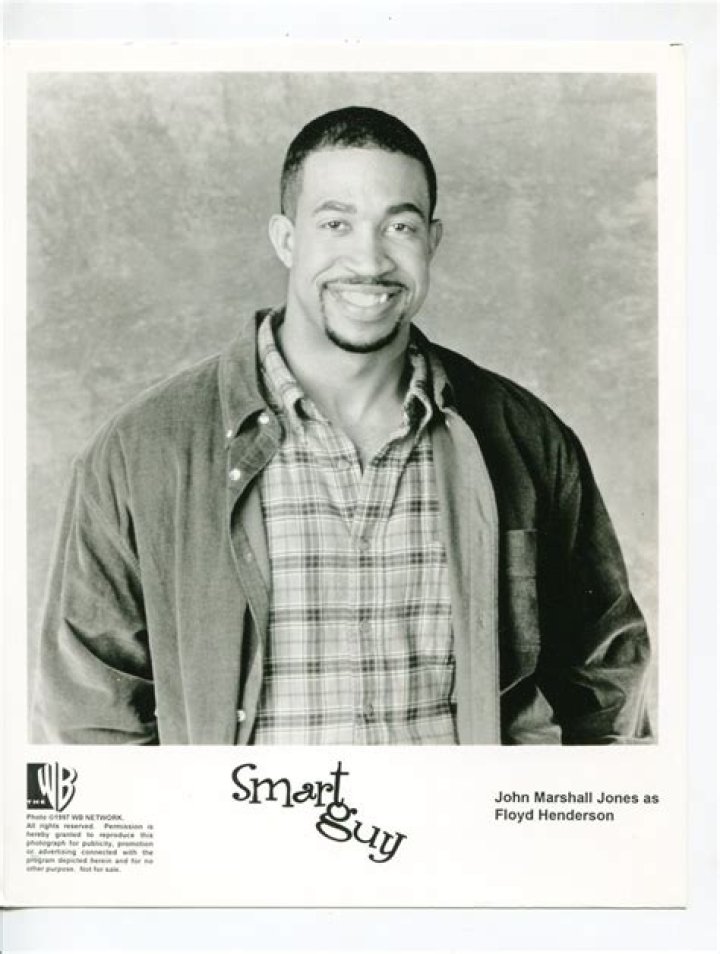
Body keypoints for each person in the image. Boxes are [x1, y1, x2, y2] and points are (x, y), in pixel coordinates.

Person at [32, 105, 652, 745]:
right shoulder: (142, 451)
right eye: (336, 223)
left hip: (462, 817)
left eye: (400, 226)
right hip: (247, 818)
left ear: (432, 242)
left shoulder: (526, 439)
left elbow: (605, 683)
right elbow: (91, 718)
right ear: (286, 239)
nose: (370, 259)